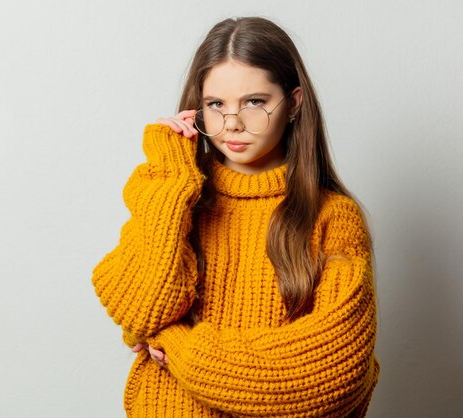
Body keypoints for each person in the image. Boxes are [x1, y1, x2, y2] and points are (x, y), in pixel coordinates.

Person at [91, 16, 380, 417]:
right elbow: (139, 309)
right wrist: (174, 174)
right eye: (216, 104)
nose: (232, 123)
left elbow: (335, 370)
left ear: (294, 103)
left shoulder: (332, 218)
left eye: (254, 102)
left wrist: (176, 344)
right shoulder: (177, 199)